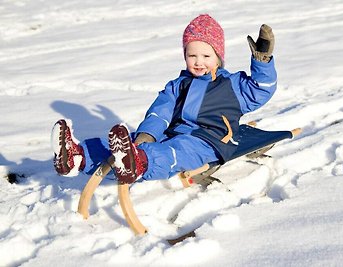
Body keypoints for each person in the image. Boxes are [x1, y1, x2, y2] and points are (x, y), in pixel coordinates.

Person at [52, 14, 277, 184]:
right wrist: (146, 136)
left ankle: (139, 163)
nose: (199, 62)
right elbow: (160, 113)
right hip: (173, 132)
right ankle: (78, 156)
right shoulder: (177, 85)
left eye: (206, 56)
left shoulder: (233, 85)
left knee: (177, 150)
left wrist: (262, 62)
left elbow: (261, 90)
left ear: (219, 57)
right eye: (192, 55)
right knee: (130, 141)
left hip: (210, 141)